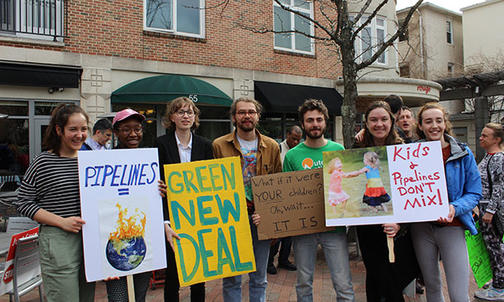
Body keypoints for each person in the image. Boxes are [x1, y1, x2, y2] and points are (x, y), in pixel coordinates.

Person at [15, 103, 96, 301]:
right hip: (58, 239)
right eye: (73, 129)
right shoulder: (43, 162)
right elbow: (23, 201)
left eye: (84, 129)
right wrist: (61, 221)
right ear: (59, 130)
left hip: (91, 238)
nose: (79, 134)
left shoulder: (93, 160)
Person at [283, 99, 355, 302]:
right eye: (310, 120)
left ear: (325, 122)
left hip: (334, 229)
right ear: (303, 124)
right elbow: (287, 194)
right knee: (304, 282)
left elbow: (348, 185)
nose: (315, 124)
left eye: (319, 119)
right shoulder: (293, 156)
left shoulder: (338, 150)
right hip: (304, 230)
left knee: (343, 284)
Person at [212, 98, 282, 302]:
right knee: (232, 278)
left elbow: (278, 184)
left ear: (258, 116)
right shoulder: (219, 145)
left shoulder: (272, 146)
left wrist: (273, 219)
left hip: (260, 219)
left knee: (259, 277)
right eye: (241, 112)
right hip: (231, 218)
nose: (247, 116)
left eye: (251, 112)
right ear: (234, 117)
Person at [410, 102, 481, 302]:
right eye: (428, 121)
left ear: (445, 123)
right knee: (432, 286)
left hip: (453, 226)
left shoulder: (463, 153)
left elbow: (474, 192)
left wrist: (454, 207)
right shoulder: (410, 153)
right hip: (422, 228)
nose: (434, 126)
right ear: (421, 126)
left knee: (459, 294)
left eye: (438, 121)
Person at [353, 101, 420, 302]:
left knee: (394, 278)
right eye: (373, 120)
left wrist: (401, 223)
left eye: (384, 119)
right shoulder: (357, 149)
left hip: (398, 227)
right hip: (368, 227)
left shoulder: (404, 149)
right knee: (374, 276)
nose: (379, 124)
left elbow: (413, 191)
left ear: (392, 121)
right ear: (366, 123)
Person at [155, 97, 213, 302]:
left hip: (198, 219)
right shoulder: (160, 144)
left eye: (190, 112)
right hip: (171, 218)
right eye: (180, 112)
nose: (185, 116)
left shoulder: (206, 146)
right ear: (172, 117)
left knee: (199, 276)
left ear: (195, 117)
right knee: (173, 276)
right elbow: (155, 187)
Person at [105, 109, 152, 302]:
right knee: (118, 298)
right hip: (113, 241)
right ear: (116, 133)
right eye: (126, 129)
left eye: (137, 129)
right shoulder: (102, 162)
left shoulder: (149, 161)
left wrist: (160, 189)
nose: (133, 134)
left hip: (142, 241)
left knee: (139, 296)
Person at [474, 123, 504, 300]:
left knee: (495, 248)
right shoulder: (488, 156)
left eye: (485, 136)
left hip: (491, 212)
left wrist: (490, 211)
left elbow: (500, 187)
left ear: (497, 139)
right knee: (492, 247)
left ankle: (500, 286)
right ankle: (498, 280)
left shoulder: (499, 158)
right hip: (485, 208)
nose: (481, 138)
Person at [267, 125, 302, 275]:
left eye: (298, 140)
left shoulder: (299, 152)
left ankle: (284, 260)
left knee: (289, 234)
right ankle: (269, 261)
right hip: (278, 197)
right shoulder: (277, 149)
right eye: (293, 138)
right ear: (287, 135)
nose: (296, 142)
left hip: (293, 196)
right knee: (277, 233)